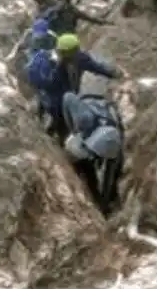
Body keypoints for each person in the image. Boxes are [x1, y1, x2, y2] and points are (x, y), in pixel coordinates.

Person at [32, 33, 124, 138]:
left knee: (67, 118)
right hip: (55, 99)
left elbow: (97, 67)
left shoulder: (80, 58)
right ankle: (55, 135)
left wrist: (114, 73)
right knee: (58, 121)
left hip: (69, 94)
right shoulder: (51, 65)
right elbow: (46, 86)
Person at [61, 85, 124, 213]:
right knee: (84, 167)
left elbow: (109, 175)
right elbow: (67, 97)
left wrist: (104, 204)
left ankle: (109, 200)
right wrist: (72, 129)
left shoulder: (115, 147)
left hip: (110, 140)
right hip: (87, 134)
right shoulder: (84, 119)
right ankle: (94, 194)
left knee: (113, 174)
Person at [44, 0, 112, 34]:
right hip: (68, 32)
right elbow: (90, 19)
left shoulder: (57, 8)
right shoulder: (73, 10)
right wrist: (105, 22)